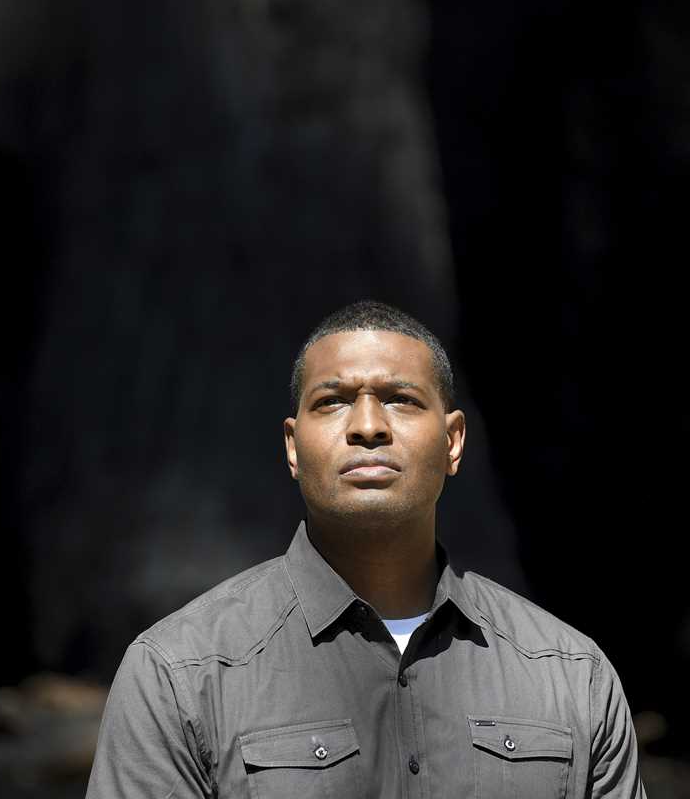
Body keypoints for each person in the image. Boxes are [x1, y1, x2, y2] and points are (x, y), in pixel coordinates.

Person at [85, 300, 648, 798]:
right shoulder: (181, 673)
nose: (368, 426)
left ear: (452, 442)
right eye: (333, 401)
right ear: (292, 447)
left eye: (401, 400)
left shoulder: (569, 673)